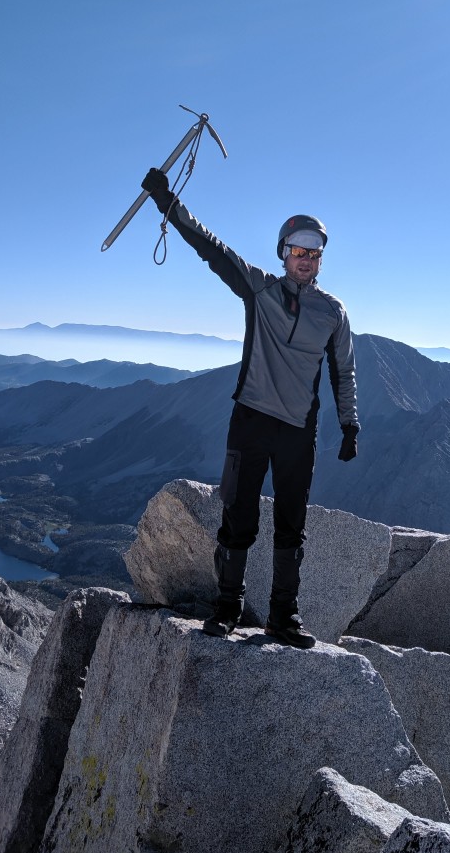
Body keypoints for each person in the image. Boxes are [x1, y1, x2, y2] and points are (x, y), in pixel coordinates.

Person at [141, 168, 359, 648]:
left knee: (291, 526)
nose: (305, 259)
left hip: (298, 433)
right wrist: (167, 203)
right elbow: (212, 248)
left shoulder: (334, 312)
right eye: (297, 251)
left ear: (321, 258)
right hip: (251, 421)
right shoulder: (259, 289)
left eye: (313, 252)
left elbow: (344, 371)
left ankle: (284, 617)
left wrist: (350, 424)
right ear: (284, 254)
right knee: (238, 515)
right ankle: (227, 610)